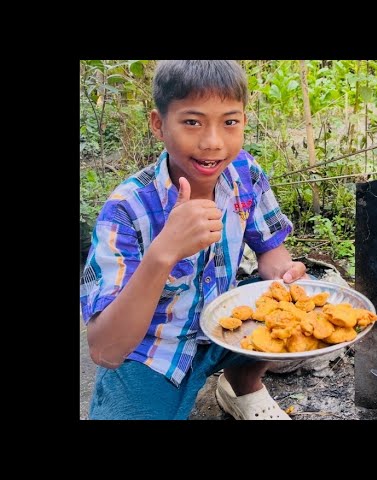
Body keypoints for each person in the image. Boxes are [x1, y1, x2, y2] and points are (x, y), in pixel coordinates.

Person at [80, 60, 307, 420]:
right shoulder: (127, 209)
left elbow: (271, 252)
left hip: (223, 324)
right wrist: (164, 251)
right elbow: (105, 349)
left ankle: (242, 385)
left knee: (279, 309)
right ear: (159, 124)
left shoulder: (244, 175)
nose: (213, 142)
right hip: (153, 346)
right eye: (192, 122)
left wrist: (288, 276)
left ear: (243, 122)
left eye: (229, 122)